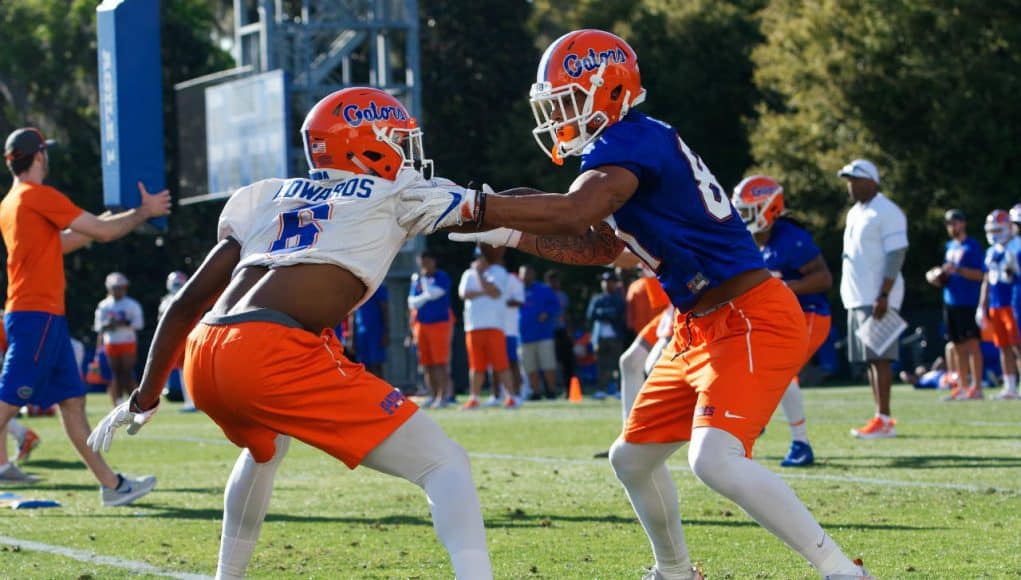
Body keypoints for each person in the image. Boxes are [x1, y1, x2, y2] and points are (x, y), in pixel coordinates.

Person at [429, 28, 872, 580]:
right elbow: (602, 246)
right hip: (699, 325)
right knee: (631, 459)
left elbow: (573, 212)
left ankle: (842, 571)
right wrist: (503, 230)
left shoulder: (629, 142)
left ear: (609, 91)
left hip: (749, 315)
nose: (558, 115)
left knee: (713, 460)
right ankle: (675, 571)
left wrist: (480, 207)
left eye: (567, 100)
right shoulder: (623, 153)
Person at [87, 87, 492, 579]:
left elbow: (186, 303)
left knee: (264, 448)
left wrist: (146, 397)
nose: (406, 153)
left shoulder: (270, 195)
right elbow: (502, 211)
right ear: (363, 144)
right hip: (269, 350)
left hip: (206, 352)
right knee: (443, 463)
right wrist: (574, 215)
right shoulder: (393, 191)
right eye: (397, 140)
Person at [0, 126, 169, 502]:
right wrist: (144, 212)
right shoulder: (36, 196)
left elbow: (65, 241)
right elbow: (102, 233)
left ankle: (112, 487)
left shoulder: (12, 201)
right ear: (40, 156)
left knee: (73, 403)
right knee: (8, 400)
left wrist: (109, 220)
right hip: (36, 315)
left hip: (42, 316)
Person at [732, 175, 833, 468]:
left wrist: (786, 285)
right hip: (776, 318)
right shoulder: (751, 242)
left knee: (781, 372)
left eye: (748, 211)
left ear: (769, 208)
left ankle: (799, 442)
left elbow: (824, 277)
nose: (742, 218)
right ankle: (754, 423)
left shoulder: (790, 237)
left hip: (809, 314)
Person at [838, 158, 908, 440]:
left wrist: (884, 294)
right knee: (870, 359)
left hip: (878, 296)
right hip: (857, 296)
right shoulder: (856, 212)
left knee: (881, 358)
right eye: (849, 181)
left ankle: (885, 418)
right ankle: (879, 415)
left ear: (872, 182)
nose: (850, 186)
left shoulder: (887, 211)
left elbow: (896, 254)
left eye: (855, 181)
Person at [925, 209, 985, 400]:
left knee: (972, 345)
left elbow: (980, 274)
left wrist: (957, 269)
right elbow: (946, 274)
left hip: (967, 301)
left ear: (963, 223)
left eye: (955, 223)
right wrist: (937, 277)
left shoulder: (972, 246)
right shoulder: (950, 246)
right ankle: (962, 386)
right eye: (949, 224)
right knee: (956, 345)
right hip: (950, 301)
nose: (952, 227)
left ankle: (976, 388)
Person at [458, 245, 518, 409]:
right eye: (479, 257)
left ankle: (510, 397)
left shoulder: (499, 272)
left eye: (483, 257)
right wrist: (484, 291)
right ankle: (474, 398)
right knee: (476, 366)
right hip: (473, 326)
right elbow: (464, 294)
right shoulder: (467, 274)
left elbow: (495, 292)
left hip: (494, 325)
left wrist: (479, 275)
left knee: (501, 364)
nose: (480, 260)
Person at [977, 210, 1021, 401]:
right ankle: (1009, 386)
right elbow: (987, 279)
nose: (995, 234)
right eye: (992, 229)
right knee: (1002, 346)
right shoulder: (991, 251)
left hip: (1013, 302)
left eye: (998, 229)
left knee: (1018, 345)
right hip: (996, 304)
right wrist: (982, 305)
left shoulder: (1016, 246)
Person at [407, 250, 454, 408]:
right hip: (421, 325)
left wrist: (425, 291)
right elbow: (412, 303)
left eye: (427, 261)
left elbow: (435, 294)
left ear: (433, 262)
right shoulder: (418, 280)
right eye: (422, 262)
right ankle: (432, 394)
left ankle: (443, 396)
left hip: (439, 324)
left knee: (440, 363)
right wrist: (426, 295)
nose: (424, 266)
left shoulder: (441, 277)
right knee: (426, 364)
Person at [94, 272, 144, 406]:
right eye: (115, 287)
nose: (118, 290)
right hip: (111, 341)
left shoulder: (131, 304)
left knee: (127, 372)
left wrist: (123, 323)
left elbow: (139, 324)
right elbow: (99, 325)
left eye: (121, 287)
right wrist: (109, 324)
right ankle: (117, 401)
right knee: (115, 373)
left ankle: (136, 401)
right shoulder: (104, 305)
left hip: (127, 341)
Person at [517, 264, 562, 399]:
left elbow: (556, 306)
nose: (525, 277)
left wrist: (547, 313)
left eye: (528, 274)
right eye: (523, 274)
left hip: (543, 334)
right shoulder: (515, 290)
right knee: (530, 367)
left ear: (533, 275)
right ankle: (535, 392)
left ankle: (551, 391)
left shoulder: (544, 289)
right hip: (524, 336)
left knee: (548, 364)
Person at [159, 271, 196, 411]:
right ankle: (190, 402)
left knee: (190, 370)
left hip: (190, 337)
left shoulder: (190, 297)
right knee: (184, 370)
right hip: (178, 338)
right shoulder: (167, 300)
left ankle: (193, 402)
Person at [587, 271, 627, 394]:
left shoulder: (619, 299)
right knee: (601, 364)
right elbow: (590, 315)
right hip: (599, 337)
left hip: (615, 336)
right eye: (604, 282)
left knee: (617, 364)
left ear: (615, 283)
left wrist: (602, 312)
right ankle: (601, 390)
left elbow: (616, 314)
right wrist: (607, 313)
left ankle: (619, 390)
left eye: (609, 282)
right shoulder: (597, 298)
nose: (606, 284)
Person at [544, 270, 575, 389]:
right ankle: (551, 388)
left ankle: (568, 388)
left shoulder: (562, 296)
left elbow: (567, 315)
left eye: (556, 281)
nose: (554, 283)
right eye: (551, 281)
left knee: (566, 361)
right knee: (551, 362)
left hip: (561, 331)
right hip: (548, 332)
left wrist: (570, 332)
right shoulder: (544, 295)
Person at [351, 285, 390, 378]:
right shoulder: (357, 287)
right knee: (363, 367)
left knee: (376, 365)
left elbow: (385, 309)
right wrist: (352, 337)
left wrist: (386, 332)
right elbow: (353, 313)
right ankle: (368, 392)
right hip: (361, 334)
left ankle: (381, 391)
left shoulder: (377, 286)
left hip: (376, 332)